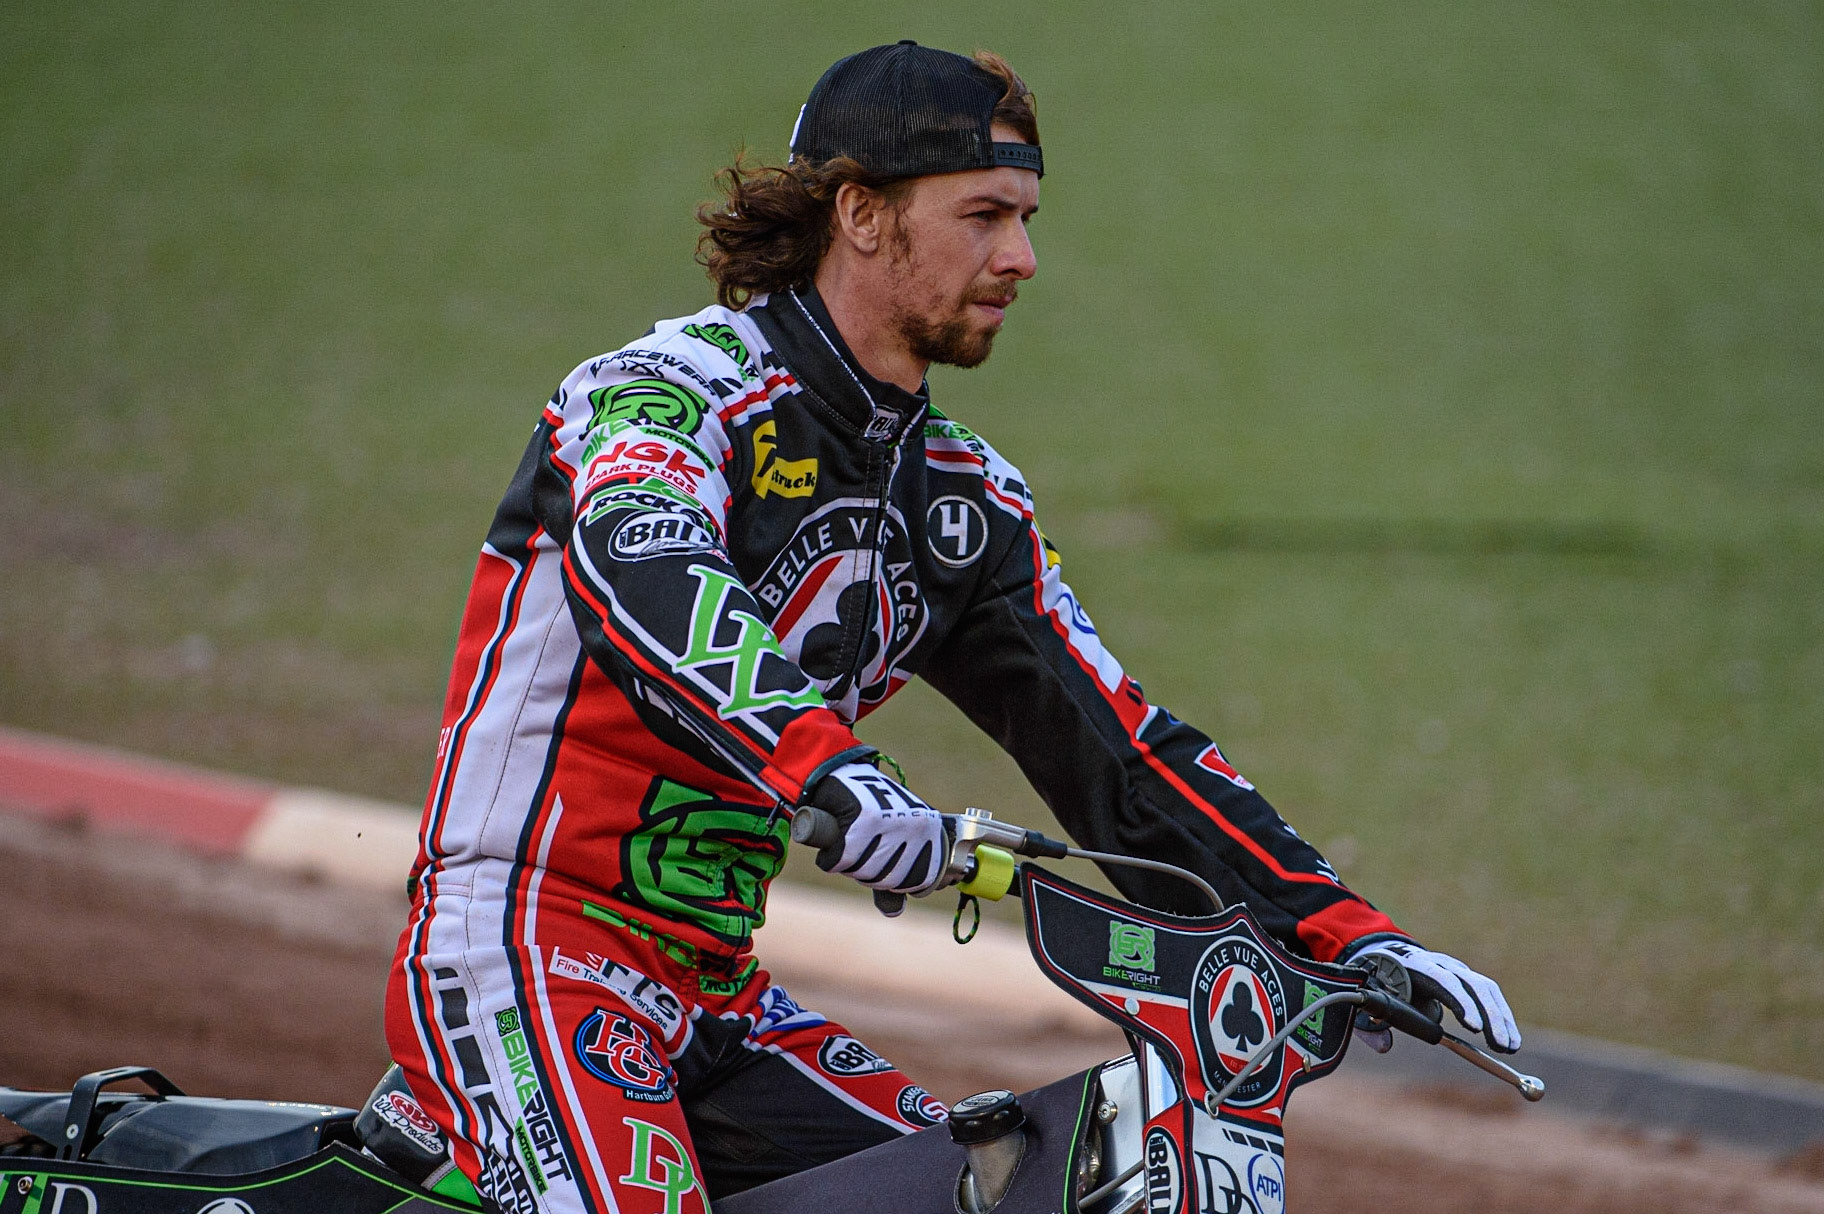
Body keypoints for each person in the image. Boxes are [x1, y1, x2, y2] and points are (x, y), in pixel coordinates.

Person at [384, 40, 1517, 1214]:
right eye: (982, 215)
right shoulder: (662, 392)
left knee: (987, 1194)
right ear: (861, 212)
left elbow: (1121, 756)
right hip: (521, 947)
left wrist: (1348, 934)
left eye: (1025, 217)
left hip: (712, 996)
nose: (1021, 257)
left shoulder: (960, 501)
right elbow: (650, 580)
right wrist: (832, 768)